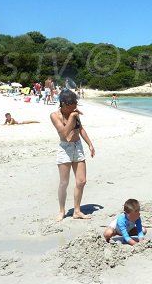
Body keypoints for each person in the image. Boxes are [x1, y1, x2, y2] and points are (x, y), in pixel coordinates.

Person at [50, 90, 96, 221]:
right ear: (64, 104)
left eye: (76, 103)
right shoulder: (54, 115)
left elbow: (80, 129)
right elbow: (64, 133)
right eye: (73, 103)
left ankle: (77, 210)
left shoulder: (74, 113)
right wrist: (72, 117)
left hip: (78, 146)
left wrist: (90, 144)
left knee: (81, 181)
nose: (75, 106)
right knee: (64, 183)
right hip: (65, 148)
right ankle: (61, 210)